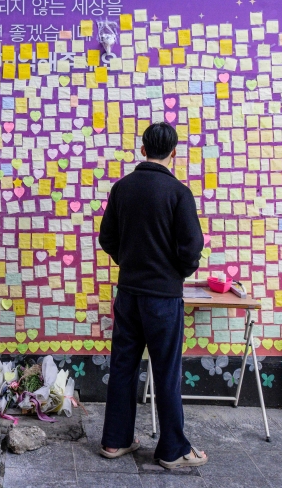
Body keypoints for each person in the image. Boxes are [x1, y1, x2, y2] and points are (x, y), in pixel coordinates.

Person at [97, 122, 207, 469]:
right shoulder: (178, 193)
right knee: (166, 372)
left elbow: (107, 239)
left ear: (142, 150)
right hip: (163, 298)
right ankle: (172, 449)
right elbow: (192, 249)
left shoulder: (122, 189)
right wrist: (174, 274)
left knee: (123, 367)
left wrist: (128, 263)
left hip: (128, 294)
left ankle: (115, 441)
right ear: (174, 153)